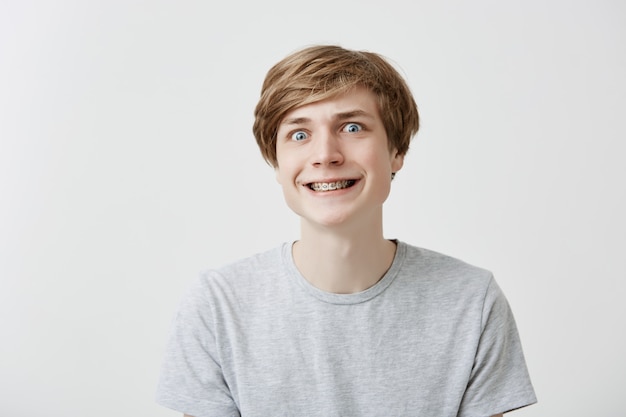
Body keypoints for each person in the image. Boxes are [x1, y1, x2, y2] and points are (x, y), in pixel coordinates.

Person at [156, 45, 537, 417]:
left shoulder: (472, 302)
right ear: (276, 162)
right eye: (299, 134)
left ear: (396, 152)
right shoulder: (216, 306)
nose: (325, 154)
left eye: (352, 127)